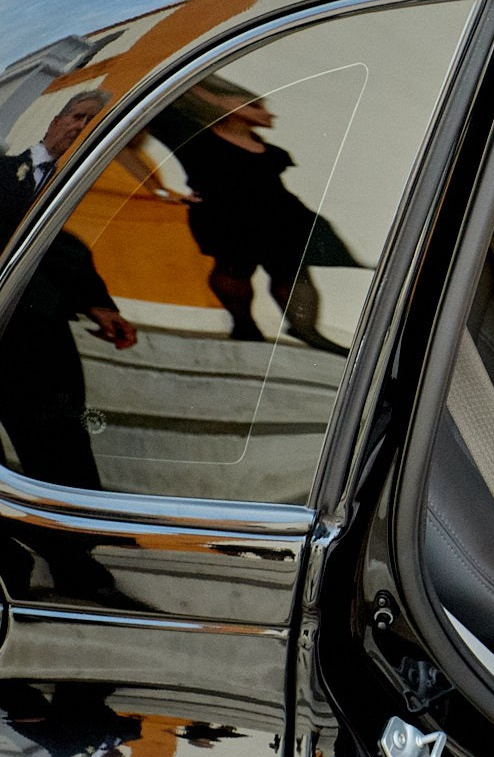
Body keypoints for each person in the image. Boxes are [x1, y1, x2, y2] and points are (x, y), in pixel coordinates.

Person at [148, 77, 359, 355]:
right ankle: (244, 323)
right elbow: (160, 99)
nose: (268, 113)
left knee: (292, 271)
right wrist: (159, 190)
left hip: (280, 216)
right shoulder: (193, 136)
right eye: (256, 105)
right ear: (224, 105)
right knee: (235, 268)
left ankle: (306, 329)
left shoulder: (260, 145)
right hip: (228, 216)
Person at [0, 91, 138, 493]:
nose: (80, 128)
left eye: (92, 123)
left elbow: (70, 247)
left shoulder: (86, 188)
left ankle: (75, 549)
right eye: (77, 116)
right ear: (55, 121)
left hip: (39, 335)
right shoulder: (4, 172)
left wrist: (98, 304)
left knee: (63, 448)